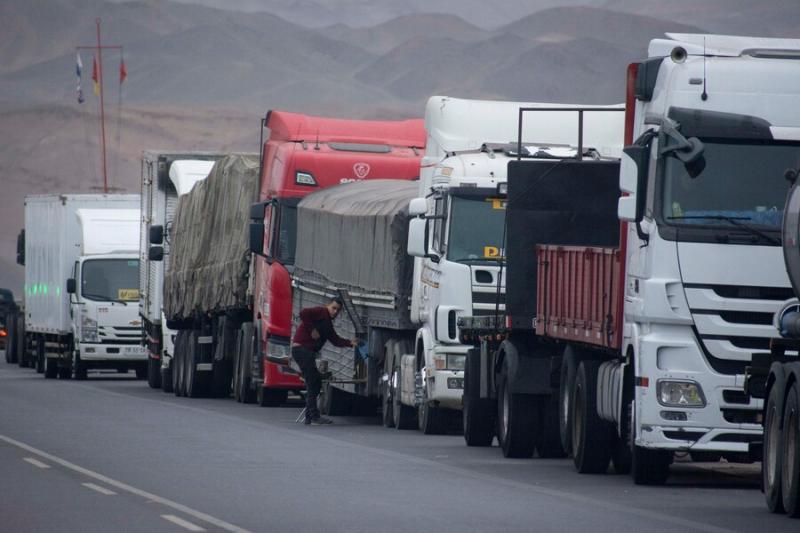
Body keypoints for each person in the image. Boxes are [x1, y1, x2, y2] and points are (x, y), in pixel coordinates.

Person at [291, 297, 356, 425]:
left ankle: (310, 416)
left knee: (315, 383)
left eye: (338, 310)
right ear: (328, 306)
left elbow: (335, 340)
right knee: (312, 382)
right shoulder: (320, 312)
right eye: (333, 308)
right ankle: (314, 417)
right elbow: (303, 313)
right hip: (302, 350)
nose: (335, 312)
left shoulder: (328, 324)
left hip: (306, 352)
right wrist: (312, 329)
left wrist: (350, 343)